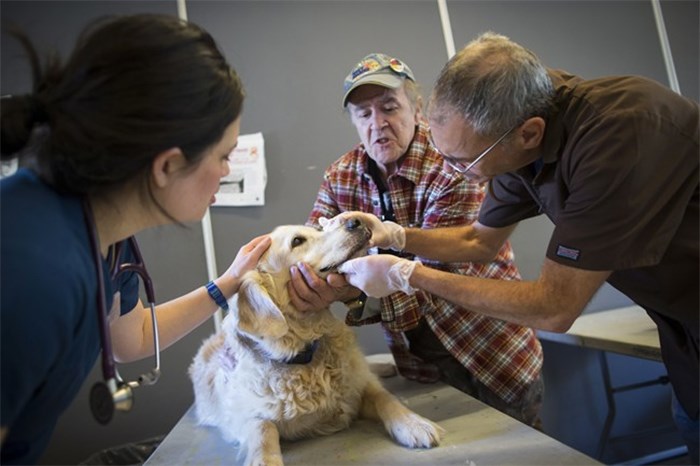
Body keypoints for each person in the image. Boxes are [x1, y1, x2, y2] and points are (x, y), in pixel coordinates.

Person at [335, 33, 699, 462]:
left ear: (529, 133)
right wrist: (395, 235)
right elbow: (479, 239)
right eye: (443, 153)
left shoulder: (619, 134)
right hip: (683, 330)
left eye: (461, 162)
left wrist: (406, 274)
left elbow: (554, 306)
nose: (453, 170)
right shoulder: (513, 133)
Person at [0, 14, 271, 465]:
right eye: (223, 156)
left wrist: (228, 284)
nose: (226, 172)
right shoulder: (32, 267)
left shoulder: (105, 236)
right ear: (166, 166)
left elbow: (133, 337)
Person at [292, 52, 544, 428]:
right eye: (364, 114)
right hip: (420, 364)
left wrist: (344, 291)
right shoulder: (340, 177)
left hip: (493, 351)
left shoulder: (455, 163)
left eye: (389, 108)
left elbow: (429, 283)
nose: (378, 124)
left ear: (418, 107)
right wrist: (323, 280)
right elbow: (313, 253)